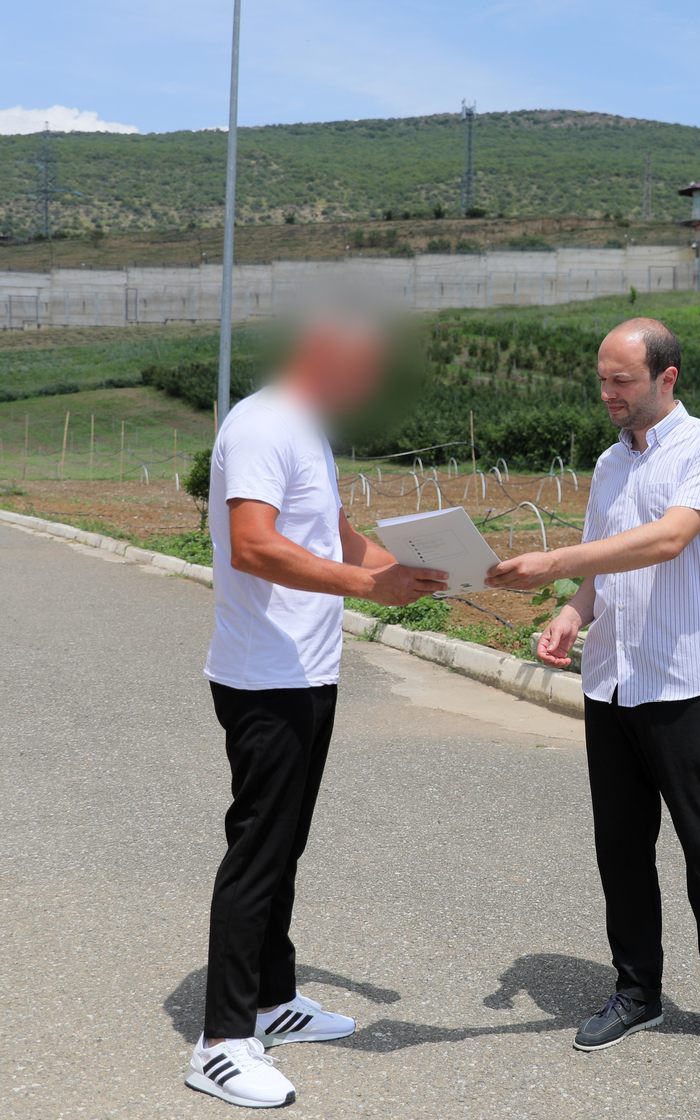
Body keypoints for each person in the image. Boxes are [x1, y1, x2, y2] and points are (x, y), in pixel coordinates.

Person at [484, 316, 700, 1072]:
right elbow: (601, 566)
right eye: (602, 380)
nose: (608, 393)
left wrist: (552, 562)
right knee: (622, 849)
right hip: (612, 684)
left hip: (687, 684)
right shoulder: (610, 464)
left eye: (622, 381)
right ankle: (636, 991)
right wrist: (573, 611)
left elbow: (669, 538)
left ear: (666, 378)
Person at [191, 320, 448, 1108]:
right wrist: (369, 587)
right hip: (265, 679)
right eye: (361, 372)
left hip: (306, 673)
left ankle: (273, 1002)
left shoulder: (306, 429)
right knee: (257, 853)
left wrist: (438, 572)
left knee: (284, 847)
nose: (366, 389)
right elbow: (253, 544)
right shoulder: (265, 424)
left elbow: (337, 539)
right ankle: (222, 1041)